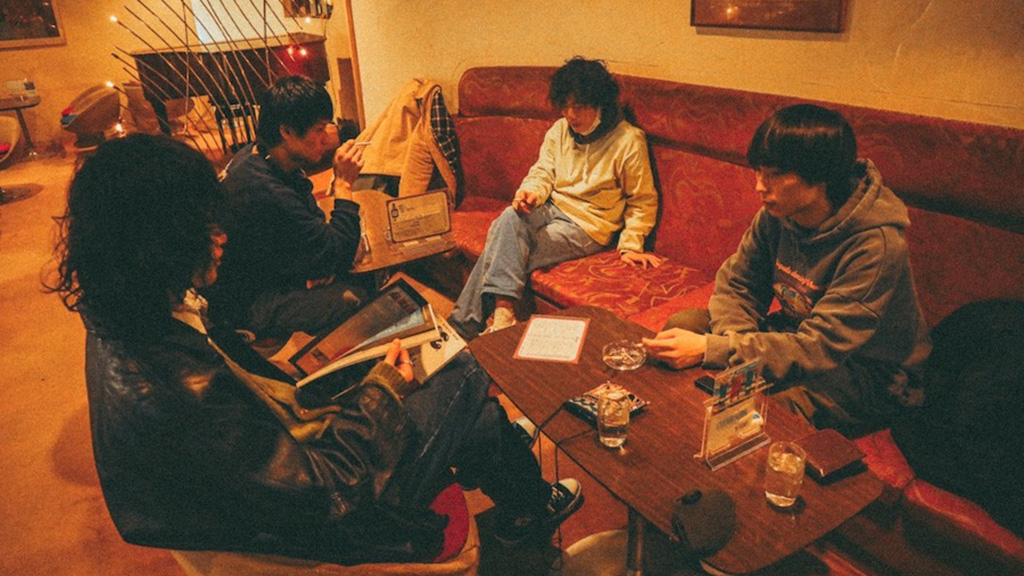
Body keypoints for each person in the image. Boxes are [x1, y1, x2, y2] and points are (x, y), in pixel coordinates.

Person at [52, 134, 583, 564]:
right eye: (204, 225)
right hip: (332, 520)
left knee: (467, 409)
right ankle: (520, 488)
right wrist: (381, 390)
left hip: (284, 466)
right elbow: (328, 492)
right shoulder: (174, 387)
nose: (221, 236)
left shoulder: (129, 313)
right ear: (159, 241)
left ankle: (520, 494)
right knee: (461, 367)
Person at [643, 104, 930, 433]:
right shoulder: (777, 214)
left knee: (766, 414)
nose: (759, 186)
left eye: (775, 175)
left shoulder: (876, 245)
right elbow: (738, 285)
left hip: (871, 371)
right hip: (796, 335)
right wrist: (734, 348)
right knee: (685, 326)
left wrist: (720, 351)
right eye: (759, 171)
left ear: (821, 176)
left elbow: (820, 347)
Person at [448, 57, 662, 339]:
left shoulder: (628, 140)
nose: (571, 115)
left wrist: (631, 244)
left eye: (579, 106)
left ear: (599, 102)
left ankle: (463, 327)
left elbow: (642, 199)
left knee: (506, 249)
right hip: (551, 206)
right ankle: (501, 316)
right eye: (565, 106)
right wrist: (530, 194)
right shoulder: (560, 130)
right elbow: (542, 172)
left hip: (588, 226)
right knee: (509, 218)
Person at [203, 75, 368, 339]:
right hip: (246, 304)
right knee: (356, 295)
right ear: (287, 131)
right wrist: (343, 183)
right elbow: (338, 254)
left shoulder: (258, 154)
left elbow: (312, 219)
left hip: (268, 273)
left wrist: (318, 263)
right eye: (319, 129)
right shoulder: (263, 189)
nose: (327, 138)